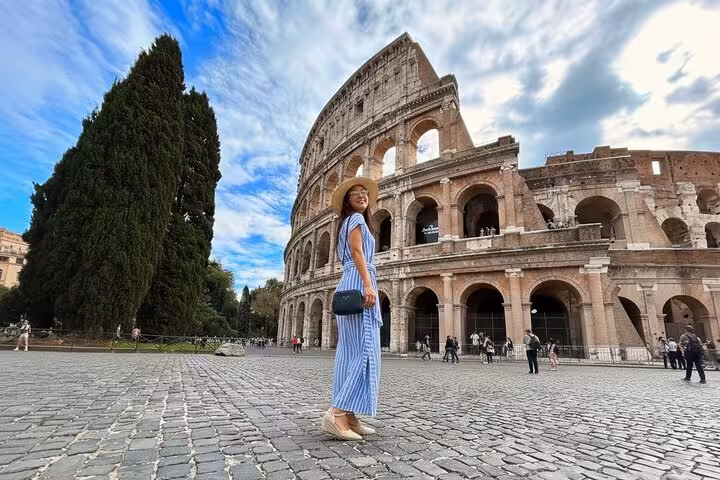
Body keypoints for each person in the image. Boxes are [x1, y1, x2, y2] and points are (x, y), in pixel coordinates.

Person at [321, 177, 381, 441]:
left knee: (350, 351)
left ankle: (350, 414)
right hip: (359, 281)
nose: (361, 195)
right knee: (363, 349)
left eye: (364, 192)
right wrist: (368, 286)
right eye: (355, 193)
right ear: (347, 201)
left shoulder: (346, 223)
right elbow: (357, 254)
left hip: (349, 281)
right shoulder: (356, 220)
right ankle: (336, 413)